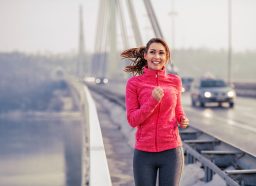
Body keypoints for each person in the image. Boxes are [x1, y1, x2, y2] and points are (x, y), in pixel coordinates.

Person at [121, 38, 189, 186]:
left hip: (171, 151)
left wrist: (182, 118)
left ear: (166, 57)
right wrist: (152, 101)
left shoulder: (175, 81)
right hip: (144, 153)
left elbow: (178, 110)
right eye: (152, 52)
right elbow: (132, 120)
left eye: (161, 53)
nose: (156, 57)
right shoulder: (134, 83)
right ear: (145, 55)